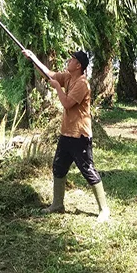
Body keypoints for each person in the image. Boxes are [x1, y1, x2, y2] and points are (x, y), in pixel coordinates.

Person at [22, 48, 111, 222]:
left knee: (87, 170)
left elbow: (67, 103)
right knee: (59, 167)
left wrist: (57, 88)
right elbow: (49, 74)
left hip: (80, 135)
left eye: (71, 60)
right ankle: (57, 204)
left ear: (78, 65)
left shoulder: (82, 84)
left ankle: (104, 209)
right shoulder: (68, 77)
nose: (68, 62)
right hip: (66, 134)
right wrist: (33, 57)